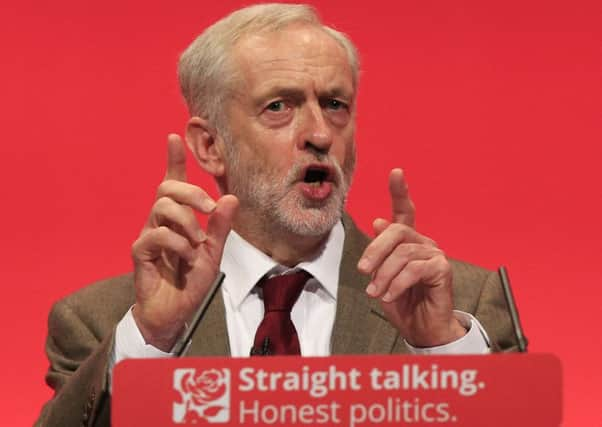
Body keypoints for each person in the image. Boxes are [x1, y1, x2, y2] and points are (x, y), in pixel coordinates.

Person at [35, 4, 520, 426]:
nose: (319, 134)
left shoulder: (459, 308)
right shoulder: (102, 322)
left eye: (335, 105)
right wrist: (152, 342)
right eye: (278, 106)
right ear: (210, 146)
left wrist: (441, 357)